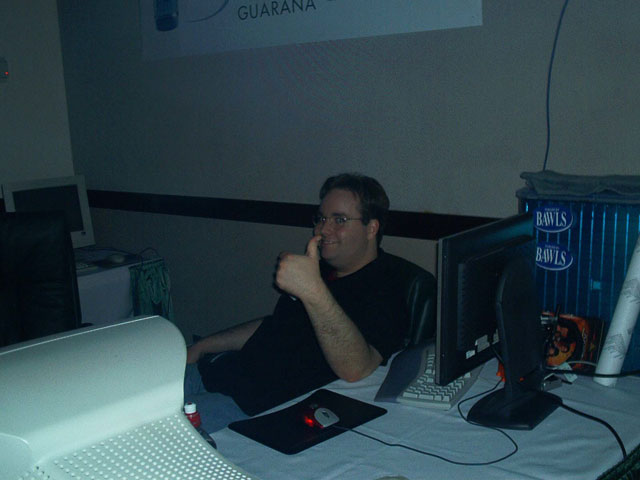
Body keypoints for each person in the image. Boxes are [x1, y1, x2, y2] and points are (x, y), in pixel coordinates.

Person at [185, 173, 410, 432]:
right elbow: (275, 324)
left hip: (247, 406)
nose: (323, 230)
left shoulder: (386, 288)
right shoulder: (322, 270)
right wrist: (203, 346)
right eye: (322, 218)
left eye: (339, 220)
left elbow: (357, 368)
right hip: (218, 371)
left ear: (371, 228)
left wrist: (313, 290)